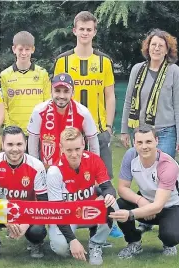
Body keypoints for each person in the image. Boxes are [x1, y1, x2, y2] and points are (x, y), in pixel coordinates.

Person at [120, 29, 179, 233]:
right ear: (147, 47)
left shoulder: (173, 71)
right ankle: (145, 217)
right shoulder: (137, 70)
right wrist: (124, 130)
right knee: (144, 173)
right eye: (153, 44)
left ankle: (165, 215)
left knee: (160, 175)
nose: (156, 48)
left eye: (161, 45)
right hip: (142, 132)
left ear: (167, 50)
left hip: (166, 131)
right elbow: (129, 100)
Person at [53, 11, 115, 179]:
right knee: (68, 179)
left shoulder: (105, 62)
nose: (85, 33)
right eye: (82, 29)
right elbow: (56, 97)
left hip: (99, 129)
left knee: (103, 180)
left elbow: (110, 96)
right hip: (70, 131)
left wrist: (108, 127)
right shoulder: (62, 61)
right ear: (74, 31)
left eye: (89, 29)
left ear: (94, 32)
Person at [109, 125, 179, 259]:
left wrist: (130, 214)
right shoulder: (131, 155)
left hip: (170, 206)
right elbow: (122, 188)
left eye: (149, 142)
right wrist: (141, 201)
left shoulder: (167, 165)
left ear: (157, 141)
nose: (144, 146)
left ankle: (169, 244)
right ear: (134, 143)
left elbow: (158, 206)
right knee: (119, 205)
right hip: (145, 201)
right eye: (139, 142)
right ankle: (134, 242)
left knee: (171, 235)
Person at [0, 126, 48, 262]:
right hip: (0, 211)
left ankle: (36, 242)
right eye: (10, 144)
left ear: (25, 144)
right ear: (2, 145)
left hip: (27, 212)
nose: (15, 149)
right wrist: (4, 218)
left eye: (19, 144)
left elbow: (43, 202)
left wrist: (26, 223)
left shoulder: (36, 166)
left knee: (37, 230)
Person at [47, 127, 117, 266]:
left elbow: (108, 187)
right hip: (66, 215)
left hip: (87, 211)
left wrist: (109, 195)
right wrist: (72, 240)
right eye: (69, 150)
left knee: (113, 204)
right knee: (61, 248)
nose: (74, 154)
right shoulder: (54, 172)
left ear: (83, 144)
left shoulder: (94, 160)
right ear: (61, 148)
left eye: (77, 149)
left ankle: (96, 244)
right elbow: (57, 212)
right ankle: (64, 239)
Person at [27, 73, 99, 167]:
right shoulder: (39, 111)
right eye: (57, 91)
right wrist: (35, 169)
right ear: (51, 91)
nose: (61, 96)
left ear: (72, 93)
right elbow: (33, 143)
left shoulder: (83, 113)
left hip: (74, 167)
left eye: (66, 91)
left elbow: (93, 143)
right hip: (47, 167)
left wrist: (93, 167)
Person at [1, 31, 51, 140]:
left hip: (38, 131)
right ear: (14, 49)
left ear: (33, 49)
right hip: (15, 133)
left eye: (27, 49)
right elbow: (3, 105)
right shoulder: (5, 75)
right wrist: (9, 127)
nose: (24, 53)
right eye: (20, 49)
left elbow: (48, 103)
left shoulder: (42, 73)